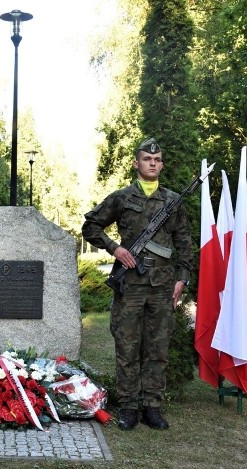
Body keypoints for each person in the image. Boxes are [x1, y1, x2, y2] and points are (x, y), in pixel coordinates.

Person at [82, 138, 193, 431]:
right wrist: (114, 248)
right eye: (146, 159)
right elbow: (91, 225)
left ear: (162, 164)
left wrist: (182, 279)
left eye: (157, 160)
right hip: (129, 286)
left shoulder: (173, 201)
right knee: (127, 347)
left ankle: (152, 407)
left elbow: (184, 242)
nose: (152, 163)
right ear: (136, 163)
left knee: (157, 349)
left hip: (162, 288)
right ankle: (129, 407)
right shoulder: (121, 198)